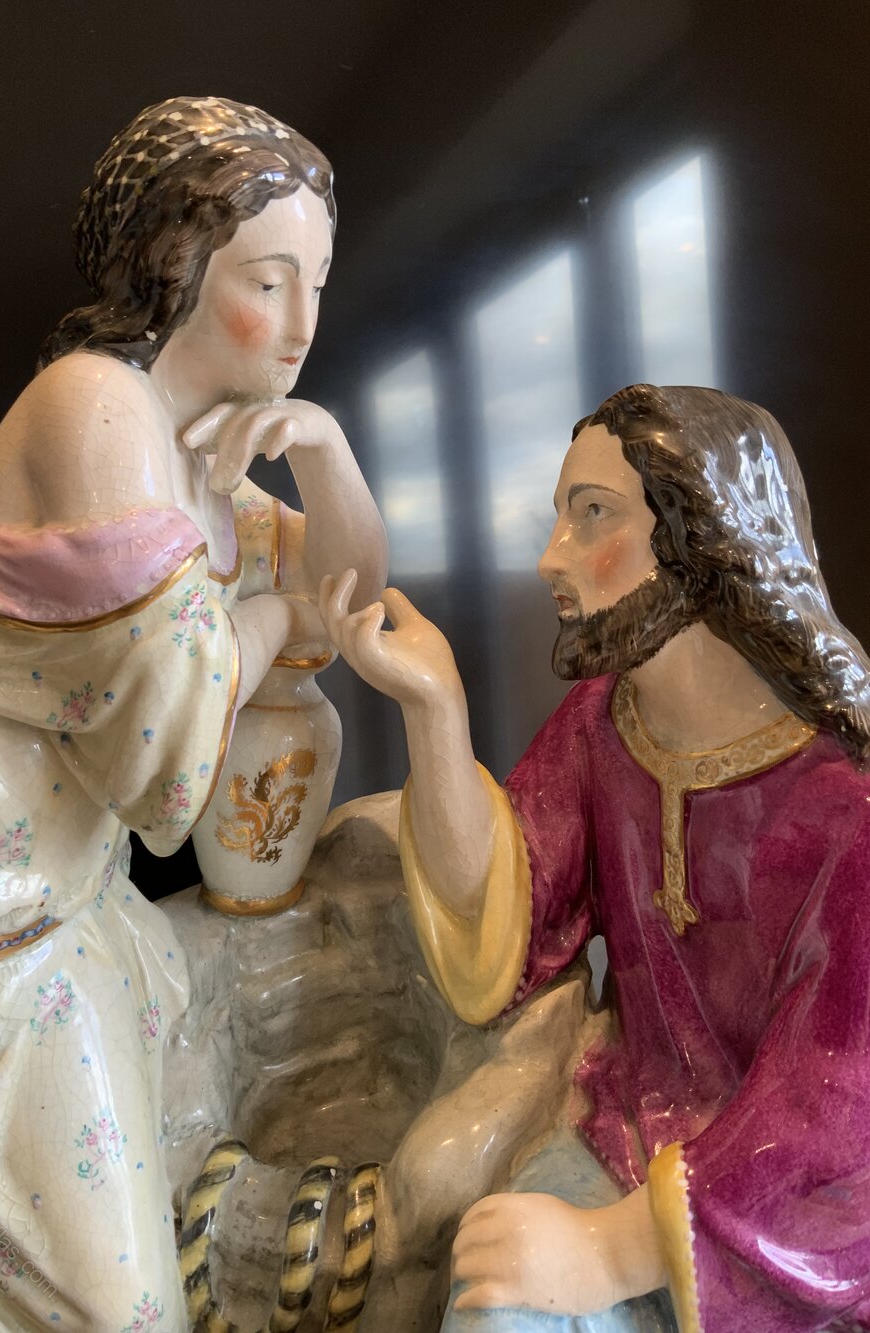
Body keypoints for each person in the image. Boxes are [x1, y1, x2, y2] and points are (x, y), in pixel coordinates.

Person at [0, 96, 385, 1330]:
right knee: (114, 1304)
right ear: (174, 265)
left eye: (316, 284)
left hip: (48, 893)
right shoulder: (95, 407)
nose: (302, 325)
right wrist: (266, 621)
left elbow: (351, 604)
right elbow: (161, 762)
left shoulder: (197, 454)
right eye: (269, 280)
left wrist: (323, 453)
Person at [320, 384, 870, 1333]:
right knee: (495, 1312)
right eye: (559, 517)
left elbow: (831, 1114)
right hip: (626, 1131)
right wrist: (435, 709)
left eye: (594, 515)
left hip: (785, 1224)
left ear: (703, 538)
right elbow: (509, 918)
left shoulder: (844, 807)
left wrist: (610, 1250)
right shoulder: (605, 724)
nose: (551, 557)